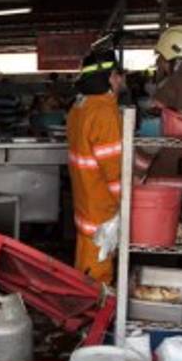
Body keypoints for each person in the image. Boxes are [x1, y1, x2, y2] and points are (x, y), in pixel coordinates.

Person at [67, 49, 125, 283]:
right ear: (110, 78)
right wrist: (125, 202)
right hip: (102, 206)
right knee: (98, 271)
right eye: (118, 75)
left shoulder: (79, 107)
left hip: (85, 200)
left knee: (85, 260)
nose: (121, 80)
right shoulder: (104, 111)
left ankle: (84, 309)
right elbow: (114, 168)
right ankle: (97, 313)